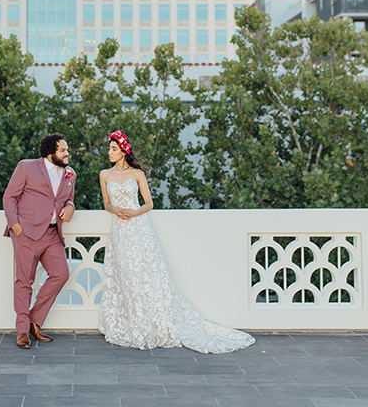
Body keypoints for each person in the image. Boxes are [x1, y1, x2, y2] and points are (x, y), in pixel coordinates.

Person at [97, 130, 255, 354]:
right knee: (125, 274)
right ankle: (132, 324)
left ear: (123, 150)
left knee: (145, 275)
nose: (110, 152)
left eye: (113, 149)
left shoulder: (137, 174)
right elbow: (106, 203)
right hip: (119, 230)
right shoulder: (104, 174)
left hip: (138, 228)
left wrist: (133, 213)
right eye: (109, 149)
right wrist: (116, 210)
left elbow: (149, 203)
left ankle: (150, 324)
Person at [3, 133, 76, 349]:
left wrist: (70, 207)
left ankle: (34, 321)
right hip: (26, 232)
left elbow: (68, 198)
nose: (67, 154)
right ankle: (22, 332)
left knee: (61, 273)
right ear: (50, 152)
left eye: (67, 150)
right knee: (25, 282)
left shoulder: (70, 174)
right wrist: (15, 225)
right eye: (63, 150)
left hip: (53, 234)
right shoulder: (26, 167)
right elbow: (9, 197)